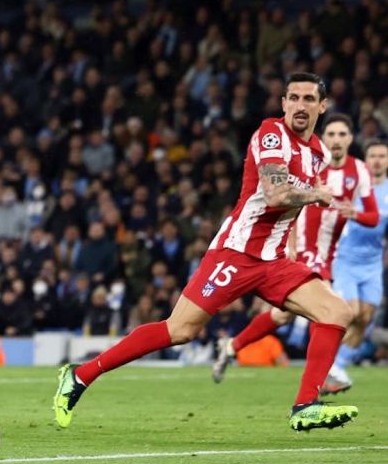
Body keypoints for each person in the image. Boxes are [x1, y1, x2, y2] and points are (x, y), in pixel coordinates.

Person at [52, 73, 359, 432]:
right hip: (235, 254)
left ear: (322, 106)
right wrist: (315, 194)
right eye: (293, 98)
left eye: (309, 99)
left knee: (337, 311)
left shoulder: (318, 153)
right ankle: (80, 376)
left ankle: (305, 405)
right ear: (283, 103)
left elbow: (289, 213)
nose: (300, 106)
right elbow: (276, 194)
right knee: (179, 329)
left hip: (273, 261)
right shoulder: (271, 133)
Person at [212, 115, 378, 389]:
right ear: (325, 138)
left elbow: (372, 217)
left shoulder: (359, 171)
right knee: (327, 307)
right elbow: (286, 202)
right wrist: (288, 244)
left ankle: (232, 345)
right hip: (303, 247)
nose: (336, 140)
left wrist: (355, 213)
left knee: (282, 315)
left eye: (342, 135)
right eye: (332, 134)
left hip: (330, 253)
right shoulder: (314, 163)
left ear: (350, 139)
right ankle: (323, 377)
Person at [324, 140, 388, 391]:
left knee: (365, 319)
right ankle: (327, 364)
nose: (377, 160)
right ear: (365, 159)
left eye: (382, 156)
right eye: (373, 155)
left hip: (372, 266)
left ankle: (336, 365)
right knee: (350, 312)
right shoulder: (355, 187)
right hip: (346, 261)